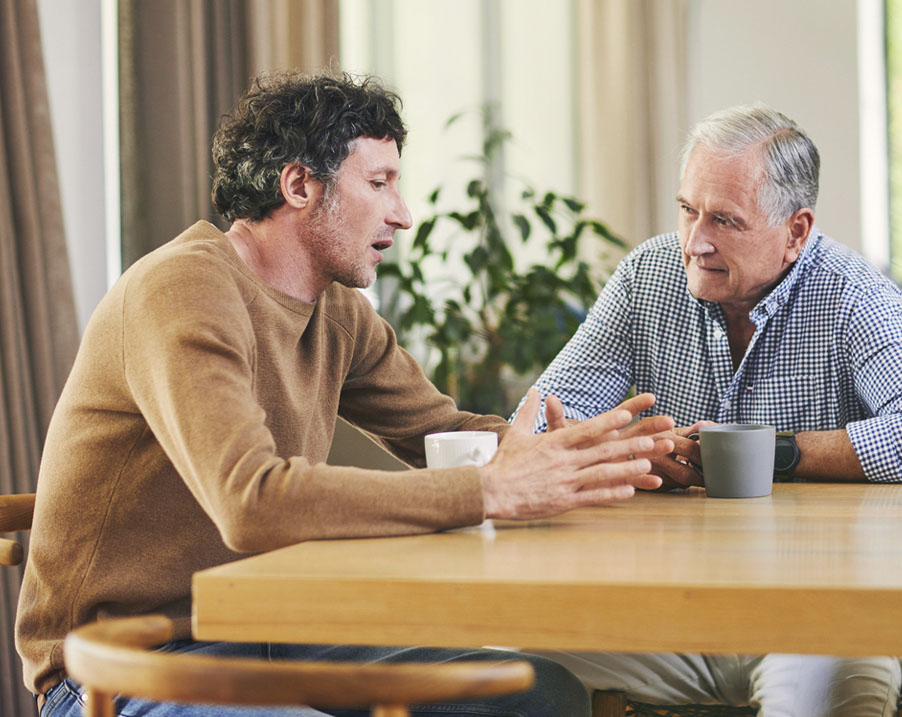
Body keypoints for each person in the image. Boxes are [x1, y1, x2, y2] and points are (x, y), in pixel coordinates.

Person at [17, 71, 677, 717]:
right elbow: (252, 501)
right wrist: (490, 490)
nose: (405, 214)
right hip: (122, 662)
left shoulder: (336, 312)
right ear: (300, 185)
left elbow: (440, 433)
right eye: (380, 183)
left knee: (536, 687)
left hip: (269, 630)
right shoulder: (182, 291)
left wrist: (580, 454)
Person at [519, 104, 902, 716]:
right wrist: (629, 449)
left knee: (814, 695)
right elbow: (546, 415)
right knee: (493, 661)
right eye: (687, 210)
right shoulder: (647, 277)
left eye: (725, 221)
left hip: (824, 607)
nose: (695, 241)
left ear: (796, 232)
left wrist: (772, 454)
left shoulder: (850, 293)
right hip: (670, 607)